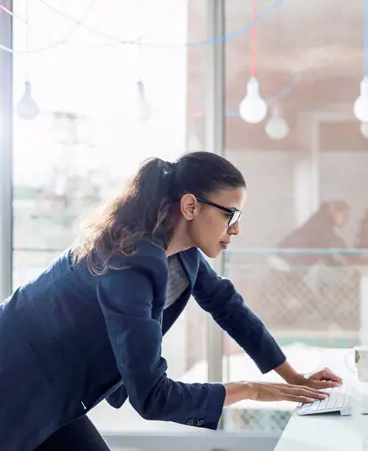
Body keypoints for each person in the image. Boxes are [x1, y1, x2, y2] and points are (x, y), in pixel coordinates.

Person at [0, 152, 342, 451]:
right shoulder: (128, 264)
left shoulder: (180, 252)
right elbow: (152, 397)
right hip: (14, 383)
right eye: (231, 216)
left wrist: (293, 377)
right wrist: (254, 390)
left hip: (52, 391)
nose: (236, 229)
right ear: (191, 206)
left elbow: (228, 306)